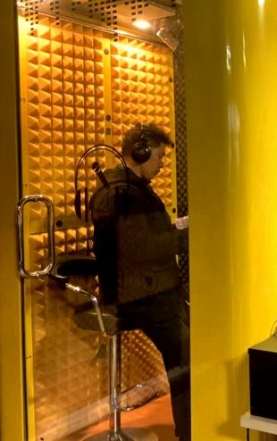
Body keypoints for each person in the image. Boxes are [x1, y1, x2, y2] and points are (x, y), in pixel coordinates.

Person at [90, 122, 191, 441]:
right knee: (186, 356)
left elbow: (147, 237)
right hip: (135, 296)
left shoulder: (132, 187)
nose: (162, 164)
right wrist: (188, 236)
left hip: (146, 289)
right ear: (140, 152)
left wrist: (179, 228)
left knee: (190, 340)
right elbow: (143, 249)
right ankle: (190, 433)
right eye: (159, 156)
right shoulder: (121, 194)